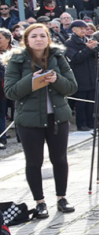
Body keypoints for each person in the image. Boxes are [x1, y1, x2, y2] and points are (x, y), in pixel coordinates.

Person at [5, 23, 78, 219]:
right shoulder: (16, 60)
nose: (39, 39)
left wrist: (56, 79)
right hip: (29, 121)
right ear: (26, 40)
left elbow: (72, 87)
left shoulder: (58, 57)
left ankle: (62, 198)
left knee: (59, 159)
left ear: (48, 39)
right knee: (34, 162)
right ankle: (40, 202)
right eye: (34, 36)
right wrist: (31, 80)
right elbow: (10, 92)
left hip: (57, 118)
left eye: (42, 36)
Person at [64, 20, 98, 133]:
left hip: (91, 75)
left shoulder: (87, 40)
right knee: (81, 102)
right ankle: (81, 123)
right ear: (74, 30)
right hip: (79, 76)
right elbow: (75, 58)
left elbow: (94, 57)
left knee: (91, 101)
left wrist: (96, 49)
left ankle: (91, 122)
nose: (84, 31)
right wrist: (88, 49)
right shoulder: (69, 43)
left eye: (85, 28)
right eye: (81, 28)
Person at [0, 28, 13, 148]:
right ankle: (2, 137)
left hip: (15, 86)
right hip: (1, 88)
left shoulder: (16, 51)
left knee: (16, 111)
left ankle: (21, 136)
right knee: (1, 113)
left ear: (8, 39)